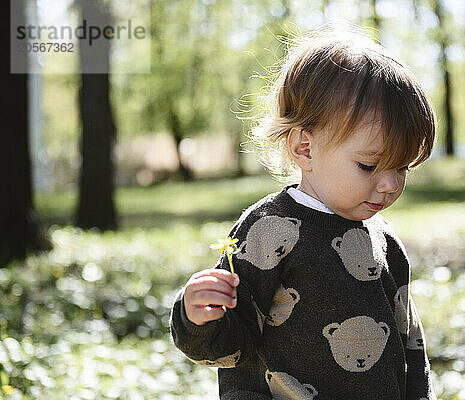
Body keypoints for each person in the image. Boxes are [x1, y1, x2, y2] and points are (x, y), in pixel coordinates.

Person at [170, 27, 437, 399]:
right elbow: (231, 347)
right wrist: (199, 317)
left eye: (402, 167)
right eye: (369, 165)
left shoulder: (383, 238)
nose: (391, 184)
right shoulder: (267, 231)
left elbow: (409, 343)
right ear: (305, 148)